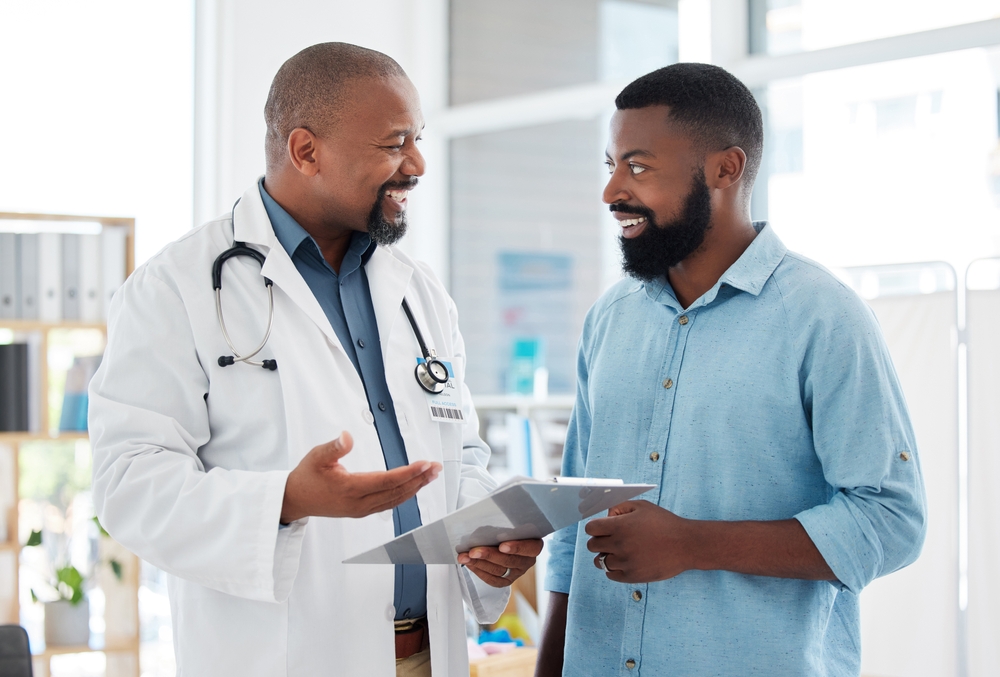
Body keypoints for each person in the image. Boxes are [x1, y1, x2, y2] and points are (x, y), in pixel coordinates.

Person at [89, 43, 542, 677]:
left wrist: (486, 534)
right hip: (281, 659)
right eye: (393, 144)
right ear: (307, 151)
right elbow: (128, 484)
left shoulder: (419, 291)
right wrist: (283, 500)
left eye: (417, 138)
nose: (415, 163)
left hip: (426, 655)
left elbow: (457, 455)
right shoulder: (176, 287)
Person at [534, 63, 927, 676]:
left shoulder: (823, 318)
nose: (612, 191)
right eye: (609, 166)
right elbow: (572, 527)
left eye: (637, 167)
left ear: (726, 168)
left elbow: (892, 521)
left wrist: (694, 543)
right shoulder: (609, 318)